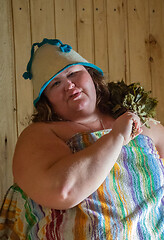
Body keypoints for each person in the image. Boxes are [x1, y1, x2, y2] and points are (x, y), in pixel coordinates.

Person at [0, 38, 164, 240]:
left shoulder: (147, 125)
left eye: (73, 73)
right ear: (47, 101)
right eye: (56, 83)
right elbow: (63, 191)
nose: (69, 85)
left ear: (92, 77)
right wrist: (117, 136)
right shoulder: (39, 134)